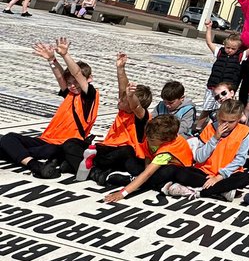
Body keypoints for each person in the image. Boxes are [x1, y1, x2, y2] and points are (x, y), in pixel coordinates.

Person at [0, 38, 99, 174]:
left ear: (89, 79)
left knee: (10, 149)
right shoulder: (70, 94)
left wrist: (65, 55)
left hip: (63, 144)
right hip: (45, 139)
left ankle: (32, 163)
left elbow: (77, 73)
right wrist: (52, 59)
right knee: (8, 138)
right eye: (69, 83)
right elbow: (60, 77)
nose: (72, 85)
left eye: (76, 82)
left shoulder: (89, 97)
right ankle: (33, 163)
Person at [86, 53, 152, 184]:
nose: (119, 100)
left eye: (124, 99)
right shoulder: (123, 110)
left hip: (128, 156)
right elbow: (123, 87)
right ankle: (97, 170)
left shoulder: (141, 117)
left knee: (125, 150)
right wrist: (121, 69)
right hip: (108, 150)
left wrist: (131, 96)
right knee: (73, 144)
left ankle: (99, 169)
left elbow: (136, 105)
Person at [103, 115, 200, 203]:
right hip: (155, 165)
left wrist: (122, 193)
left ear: (165, 140)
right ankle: (154, 184)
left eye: (152, 140)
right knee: (130, 160)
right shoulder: (152, 136)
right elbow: (148, 157)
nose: (148, 140)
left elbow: (148, 173)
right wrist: (145, 169)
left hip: (176, 171)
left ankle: (132, 181)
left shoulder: (168, 149)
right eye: (148, 137)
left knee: (165, 172)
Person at [196, 22, 244, 129]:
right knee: (206, 109)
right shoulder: (220, 52)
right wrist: (209, 28)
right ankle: (198, 128)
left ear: (238, 49)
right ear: (224, 45)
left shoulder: (240, 56)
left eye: (233, 49)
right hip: (213, 86)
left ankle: (216, 128)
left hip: (226, 90)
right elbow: (209, 42)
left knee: (223, 111)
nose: (229, 50)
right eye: (228, 47)